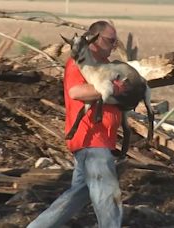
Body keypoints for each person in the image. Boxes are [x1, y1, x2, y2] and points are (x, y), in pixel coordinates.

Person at [27, 21, 124, 228]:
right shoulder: (80, 62)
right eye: (110, 41)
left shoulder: (103, 64)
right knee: (107, 194)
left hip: (99, 140)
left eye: (115, 41)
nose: (114, 45)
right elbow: (76, 92)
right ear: (94, 39)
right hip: (92, 140)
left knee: (77, 196)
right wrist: (113, 89)